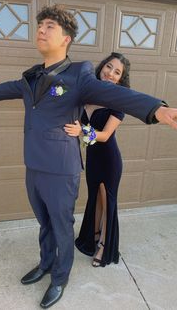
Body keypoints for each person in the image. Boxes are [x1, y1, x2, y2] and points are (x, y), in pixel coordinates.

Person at [0, 4, 177, 309]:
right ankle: (45, 264)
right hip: (34, 165)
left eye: (50, 26)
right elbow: (7, 89)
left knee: (61, 224)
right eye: (40, 26)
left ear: (66, 37)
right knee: (44, 223)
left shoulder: (79, 74)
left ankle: (59, 277)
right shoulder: (30, 77)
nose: (41, 30)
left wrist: (154, 108)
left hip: (61, 168)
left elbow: (118, 95)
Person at [64, 52, 130, 267]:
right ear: (102, 67)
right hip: (92, 157)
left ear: (120, 78)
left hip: (109, 158)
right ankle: (91, 238)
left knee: (106, 199)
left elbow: (104, 135)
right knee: (95, 197)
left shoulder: (119, 100)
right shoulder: (87, 93)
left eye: (117, 72)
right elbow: (65, 100)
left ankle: (103, 246)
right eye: (109, 67)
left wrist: (81, 132)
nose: (110, 73)